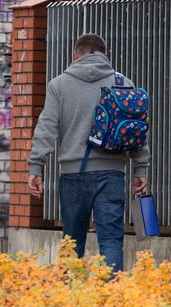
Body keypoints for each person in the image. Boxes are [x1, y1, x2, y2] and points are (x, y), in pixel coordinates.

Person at [27, 33, 149, 273]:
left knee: (72, 242)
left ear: (76, 54)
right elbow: (138, 128)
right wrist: (141, 169)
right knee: (111, 240)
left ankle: (72, 291)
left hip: (73, 175)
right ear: (104, 54)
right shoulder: (123, 83)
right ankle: (111, 291)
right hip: (112, 175)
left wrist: (36, 166)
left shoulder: (59, 85)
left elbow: (46, 128)